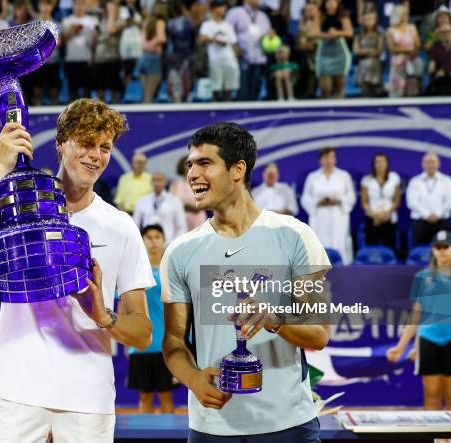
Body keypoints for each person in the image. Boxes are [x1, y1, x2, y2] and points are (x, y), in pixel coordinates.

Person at [0, 98, 155, 443]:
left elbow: (142, 333)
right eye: (87, 143)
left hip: (87, 399)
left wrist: (102, 315)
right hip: (17, 392)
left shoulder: (120, 226)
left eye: (105, 147)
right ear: (61, 144)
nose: (96, 155)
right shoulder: (18, 208)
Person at [161, 122, 330, 441]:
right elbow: (173, 340)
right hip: (212, 426)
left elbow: (319, 334)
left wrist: (275, 319)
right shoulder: (180, 251)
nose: (192, 174)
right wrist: (192, 378)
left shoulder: (295, 235)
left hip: (288, 424)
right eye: (190, 165)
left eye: (204, 163)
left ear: (237, 169)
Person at [387, 230, 451, 410]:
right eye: (438, 247)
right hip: (428, 340)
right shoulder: (422, 277)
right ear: (433, 250)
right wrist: (401, 347)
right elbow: (415, 315)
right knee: (431, 397)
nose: (442, 251)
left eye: (446, 246)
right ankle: (436, 439)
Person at [127, 224, 176, 413]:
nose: (153, 241)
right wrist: (127, 341)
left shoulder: (171, 271)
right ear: (142, 241)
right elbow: (125, 309)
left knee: (166, 395)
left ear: (163, 240)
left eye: (157, 237)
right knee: (144, 396)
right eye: (148, 237)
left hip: (165, 346)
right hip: (140, 346)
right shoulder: (134, 270)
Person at [301, 147, 356, 264]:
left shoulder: (344, 176)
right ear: (320, 160)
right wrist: (317, 202)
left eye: (332, 157)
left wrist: (339, 200)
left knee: (339, 243)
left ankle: (341, 268)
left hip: (338, 215)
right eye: (326, 158)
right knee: (319, 244)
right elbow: (305, 197)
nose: (329, 161)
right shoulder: (312, 177)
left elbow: (351, 196)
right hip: (319, 216)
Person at [226, 0, 272, 101]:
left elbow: (268, 34)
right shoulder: (235, 12)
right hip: (241, 56)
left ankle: (253, 115)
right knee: (242, 89)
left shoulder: (263, 16)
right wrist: (235, 48)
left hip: (259, 56)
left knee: (255, 89)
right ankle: (240, 114)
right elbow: (227, 31)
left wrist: (270, 37)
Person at [310, 0, 353, 98]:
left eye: (333, 1)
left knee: (339, 87)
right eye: (328, 2)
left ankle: (340, 110)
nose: (331, 4)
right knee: (325, 87)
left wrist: (337, 33)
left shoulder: (342, 15)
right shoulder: (320, 15)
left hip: (340, 52)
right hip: (324, 51)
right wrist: (326, 35)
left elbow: (349, 32)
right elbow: (312, 33)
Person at [406, 152, 451, 247]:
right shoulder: (415, 181)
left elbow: (449, 202)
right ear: (423, 164)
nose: (430, 165)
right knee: (418, 251)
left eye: (433, 162)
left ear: (438, 164)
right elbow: (411, 202)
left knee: (443, 252)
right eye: (428, 162)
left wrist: (438, 214)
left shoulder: (447, 181)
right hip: (420, 223)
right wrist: (426, 214)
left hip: (441, 223)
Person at [198, 0, 239, 102]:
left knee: (229, 86)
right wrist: (216, 40)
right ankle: (215, 108)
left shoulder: (228, 26)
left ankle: (228, 106)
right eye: (218, 7)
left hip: (229, 59)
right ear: (212, 10)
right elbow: (202, 38)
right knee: (216, 86)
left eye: (223, 7)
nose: (221, 10)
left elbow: (233, 42)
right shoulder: (207, 25)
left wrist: (236, 56)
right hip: (215, 59)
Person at [360, 153, 401, 251]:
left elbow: (396, 201)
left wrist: (385, 214)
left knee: (390, 249)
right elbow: (364, 202)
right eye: (377, 162)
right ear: (373, 164)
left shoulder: (394, 178)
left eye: (383, 161)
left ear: (387, 163)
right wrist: (375, 215)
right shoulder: (366, 180)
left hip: (389, 218)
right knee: (371, 249)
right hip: (372, 219)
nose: (380, 164)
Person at [133, 172, 187, 245]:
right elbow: (135, 225)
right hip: (147, 244)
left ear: (165, 182)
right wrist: (141, 243)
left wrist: (173, 244)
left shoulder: (175, 201)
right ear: (151, 182)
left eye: (159, 180)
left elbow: (182, 227)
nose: (157, 183)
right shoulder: (142, 201)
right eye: (154, 180)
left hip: (168, 243)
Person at [62, 0, 98, 101]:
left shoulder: (92, 21)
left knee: (87, 90)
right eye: (76, 4)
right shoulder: (67, 21)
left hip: (87, 59)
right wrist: (71, 31)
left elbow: (96, 43)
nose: (78, 7)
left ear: (84, 5)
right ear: (73, 5)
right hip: (71, 60)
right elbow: (62, 42)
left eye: (81, 4)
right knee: (73, 90)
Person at [387, 4, 420, 98]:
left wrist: (411, 52)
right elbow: (392, 49)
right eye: (403, 14)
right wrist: (407, 49)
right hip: (397, 64)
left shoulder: (412, 28)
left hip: (411, 60)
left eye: (406, 14)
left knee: (412, 89)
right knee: (398, 91)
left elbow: (417, 45)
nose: (406, 17)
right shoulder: (390, 30)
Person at [139, 2, 166, 103]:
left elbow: (142, 40)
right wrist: (152, 45)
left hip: (144, 57)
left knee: (145, 92)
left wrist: (147, 46)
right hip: (154, 59)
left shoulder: (147, 21)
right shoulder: (160, 21)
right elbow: (162, 38)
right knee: (149, 94)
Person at [170, 155, 207, 231]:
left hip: (198, 219)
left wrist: (191, 206)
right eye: (187, 164)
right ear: (182, 166)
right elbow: (171, 204)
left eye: (191, 164)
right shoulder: (175, 185)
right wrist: (186, 206)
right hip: (181, 220)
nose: (189, 166)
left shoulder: (201, 182)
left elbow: (205, 201)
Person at [353, 8, 383, 97]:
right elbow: (356, 51)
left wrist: (364, 51)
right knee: (365, 92)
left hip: (375, 66)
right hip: (362, 66)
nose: (368, 21)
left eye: (370, 19)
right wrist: (370, 51)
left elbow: (379, 51)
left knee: (375, 92)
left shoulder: (379, 35)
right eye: (366, 19)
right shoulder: (359, 35)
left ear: (375, 20)